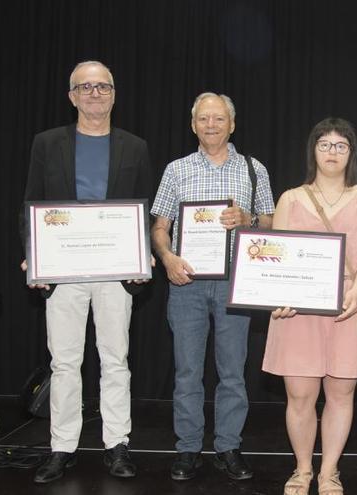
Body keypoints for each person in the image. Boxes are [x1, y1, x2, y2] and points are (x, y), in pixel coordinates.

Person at [20, 60, 152, 483]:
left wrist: (142, 255)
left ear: (114, 94)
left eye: (103, 87)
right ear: (72, 96)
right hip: (63, 271)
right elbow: (31, 205)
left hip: (115, 272)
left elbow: (143, 210)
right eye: (86, 87)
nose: (95, 94)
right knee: (64, 363)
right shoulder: (47, 143)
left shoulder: (135, 146)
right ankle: (62, 447)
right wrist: (33, 257)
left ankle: (117, 444)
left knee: (116, 360)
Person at [150, 92, 275, 482]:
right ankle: (188, 448)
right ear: (193, 125)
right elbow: (159, 227)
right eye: (203, 119)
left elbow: (271, 224)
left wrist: (248, 217)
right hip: (185, 282)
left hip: (234, 284)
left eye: (218, 119)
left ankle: (228, 446)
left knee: (232, 372)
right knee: (187, 371)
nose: (211, 125)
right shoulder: (176, 170)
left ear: (232, 124)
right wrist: (167, 259)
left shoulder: (254, 169)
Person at [263, 117, 357, 495]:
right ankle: (302, 470)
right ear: (313, 150)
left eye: (341, 145)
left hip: (349, 305)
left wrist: (355, 292)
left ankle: (329, 470)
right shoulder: (290, 198)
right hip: (297, 311)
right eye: (325, 144)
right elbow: (277, 257)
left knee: (340, 395)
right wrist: (278, 296)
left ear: (351, 153)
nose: (332, 152)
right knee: (300, 397)